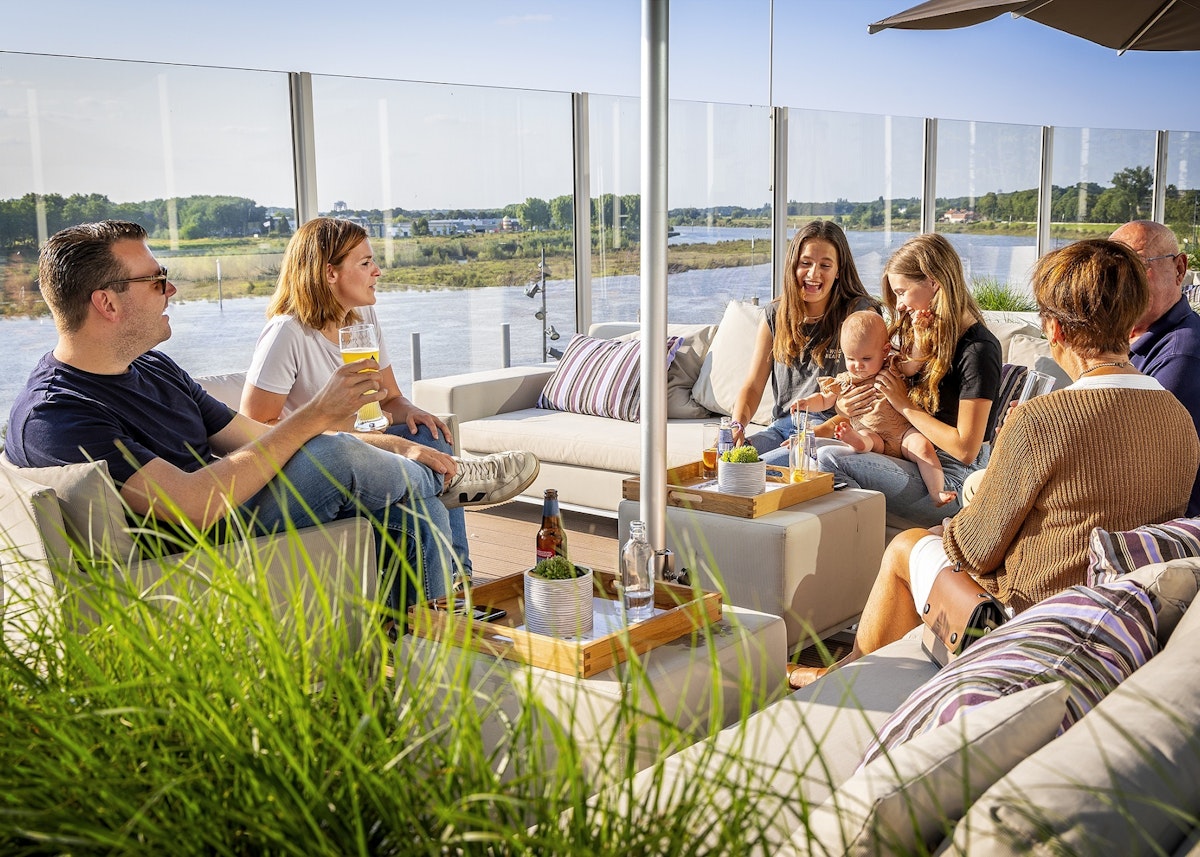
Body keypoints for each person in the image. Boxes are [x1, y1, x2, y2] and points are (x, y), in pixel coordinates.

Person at [4, 220, 539, 610]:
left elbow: (255, 434)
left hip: (238, 506)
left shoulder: (155, 370)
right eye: (155, 280)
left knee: (395, 469)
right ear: (108, 303)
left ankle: (430, 617)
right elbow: (192, 507)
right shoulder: (60, 414)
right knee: (336, 455)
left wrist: (400, 444)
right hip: (197, 551)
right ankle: (444, 596)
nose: (171, 290)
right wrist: (320, 416)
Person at [788, 238, 1200, 689]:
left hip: (1024, 627)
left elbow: (975, 548)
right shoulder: (1180, 420)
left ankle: (840, 683)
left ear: (1055, 331)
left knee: (907, 545)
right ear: (1133, 321)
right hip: (1117, 626)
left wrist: (980, 491)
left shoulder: (1041, 420)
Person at [240, 217, 476, 582]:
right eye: (365, 263)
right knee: (425, 497)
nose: (377, 271)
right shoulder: (287, 333)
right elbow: (256, 428)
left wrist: (411, 411)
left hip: (367, 440)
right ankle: (465, 480)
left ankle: (458, 582)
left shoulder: (363, 319)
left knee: (432, 434)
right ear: (330, 272)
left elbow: (391, 398)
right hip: (318, 457)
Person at [815, 233, 1001, 527]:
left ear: (933, 282)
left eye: (902, 292)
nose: (899, 305)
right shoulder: (924, 333)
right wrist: (845, 406)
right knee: (808, 451)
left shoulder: (978, 350)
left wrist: (903, 404)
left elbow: (966, 449)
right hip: (910, 455)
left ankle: (858, 543)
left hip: (952, 478)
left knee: (829, 459)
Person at [732, 220, 880, 466]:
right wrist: (737, 426)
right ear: (794, 265)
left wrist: (817, 432)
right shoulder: (775, 314)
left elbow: (868, 395)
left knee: (753, 470)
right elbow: (753, 386)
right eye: (806, 263)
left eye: (825, 265)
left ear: (839, 270)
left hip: (833, 431)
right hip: (781, 428)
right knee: (727, 461)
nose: (813, 274)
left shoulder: (859, 315)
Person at [794, 311, 955, 507]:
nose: (857, 366)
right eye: (850, 358)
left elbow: (914, 363)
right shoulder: (845, 380)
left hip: (903, 433)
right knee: (866, 439)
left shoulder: (892, 367)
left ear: (885, 350)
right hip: (871, 433)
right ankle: (855, 440)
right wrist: (806, 404)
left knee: (923, 446)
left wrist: (920, 334)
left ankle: (937, 492)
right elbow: (824, 399)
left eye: (866, 359)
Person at [1110, 220, 1200, 516]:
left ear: (1179, 269)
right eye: (1113, 266)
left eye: (1137, 263)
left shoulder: (1181, 354)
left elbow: (1137, 460)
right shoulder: (1122, 341)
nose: (1123, 278)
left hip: (1164, 520)